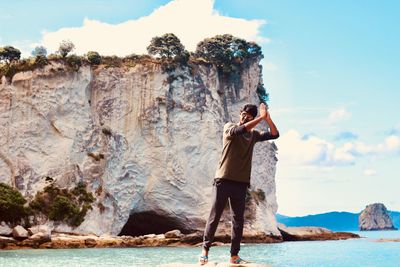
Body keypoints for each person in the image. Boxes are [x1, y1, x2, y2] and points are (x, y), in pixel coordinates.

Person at [199, 103, 279, 265]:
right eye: (243, 115)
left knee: (238, 221)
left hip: (241, 184)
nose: (244, 118)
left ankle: (234, 256)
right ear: (240, 114)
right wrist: (260, 118)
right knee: (214, 217)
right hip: (222, 180)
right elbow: (238, 131)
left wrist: (268, 119)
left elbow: (274, 135)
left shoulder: (254, 135)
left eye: (248, 117)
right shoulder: (229, 127)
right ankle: (205, 251)